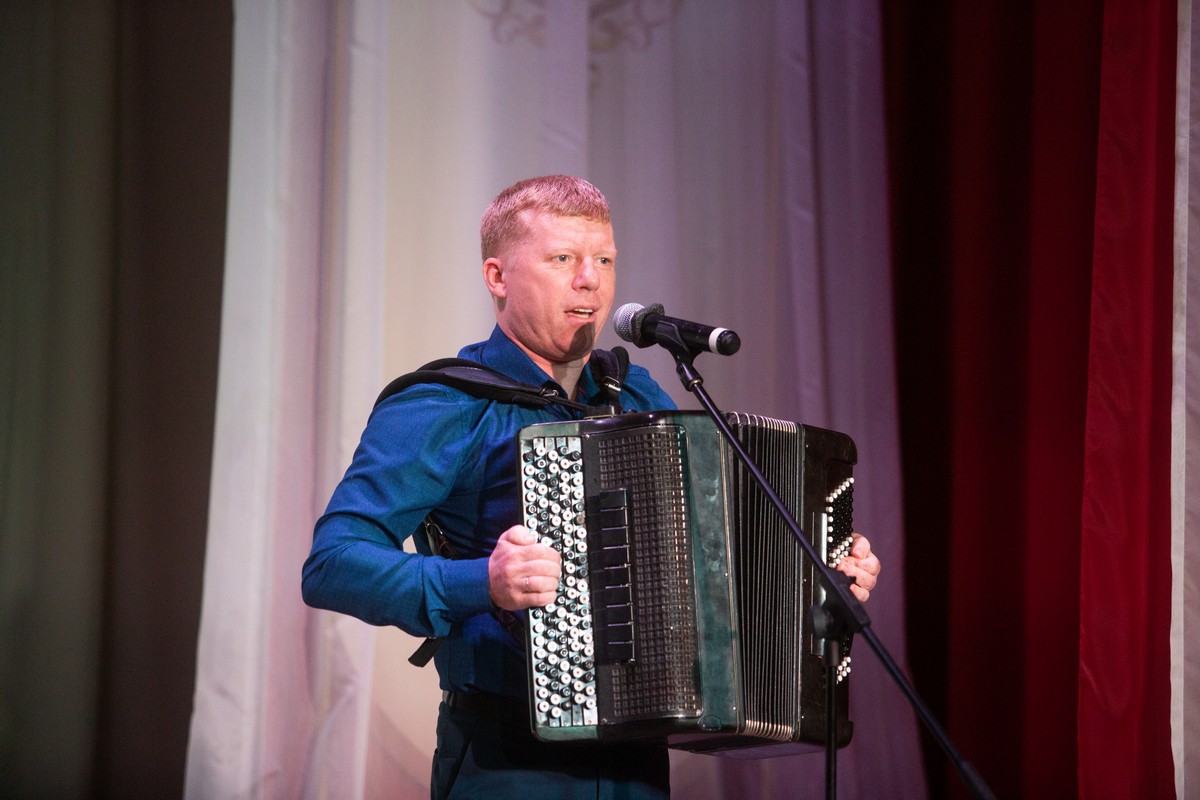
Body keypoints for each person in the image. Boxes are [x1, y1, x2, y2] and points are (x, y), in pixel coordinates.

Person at [301, 175, 881, 799]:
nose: (590, 280)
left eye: (604, 260)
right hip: (507, 761)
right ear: (497, 277)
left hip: (639, 761)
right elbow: (333, 564)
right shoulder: (442, 404)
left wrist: (814, 574)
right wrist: (482, 582)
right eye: (562, 259)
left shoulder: (637, 397)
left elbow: (715, 550)